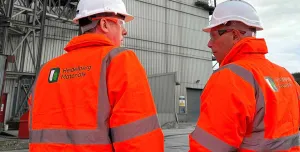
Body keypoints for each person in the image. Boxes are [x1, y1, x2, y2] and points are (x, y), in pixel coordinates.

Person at [27, 0, 164, 151]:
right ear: (104, 24)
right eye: (120, 23)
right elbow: (139, 139)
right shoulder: (119, 61)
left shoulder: (46, 70)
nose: (124, 31)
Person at [189, 0, 300, 151]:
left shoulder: (230, 78)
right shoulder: (284, 74)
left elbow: (209, 148)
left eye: (213, 36)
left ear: (234, 35)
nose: (209, 44)